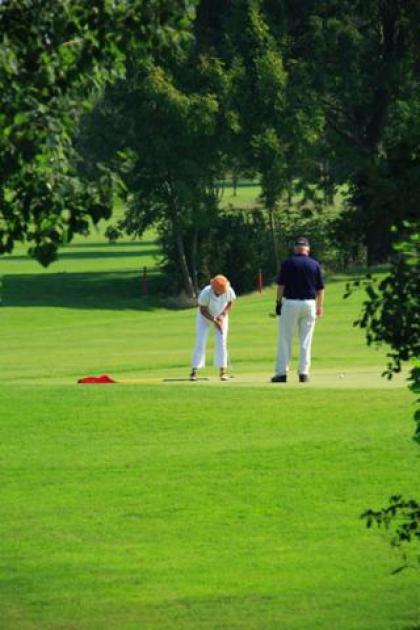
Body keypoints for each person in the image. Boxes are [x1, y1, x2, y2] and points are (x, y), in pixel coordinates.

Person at [271, 237, 325, 383]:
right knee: (306, 340)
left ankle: (282, 373)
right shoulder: (314, 264)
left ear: (296, 248)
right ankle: (304, 373)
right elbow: (320, 289)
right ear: (307, 249)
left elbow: (281, 285)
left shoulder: (288, 263)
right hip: (309, 304)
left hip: (291, 303)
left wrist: (278, 303)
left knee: (285, 339)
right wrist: (320, 306)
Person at [190, 274, 236, 382]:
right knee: (200, 342)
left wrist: (222, 316)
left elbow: (230, 303)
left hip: (221, 316)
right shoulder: (206, 293)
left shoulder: (228, 290)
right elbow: (203, 310)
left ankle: (223, 371)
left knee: (221, 341)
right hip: (204, 318)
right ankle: (194, 371)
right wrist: (214, 320)